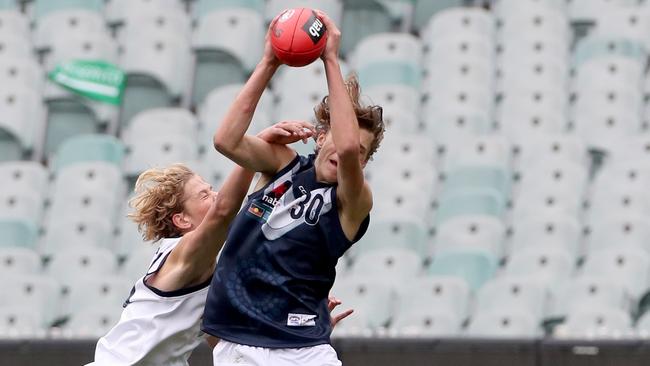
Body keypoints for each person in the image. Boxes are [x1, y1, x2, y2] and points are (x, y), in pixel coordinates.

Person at [203, 11, 385, 365]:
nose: (347, 152)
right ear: (319, 137)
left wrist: (330, 58)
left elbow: (347, 148)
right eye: (334, 138)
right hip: (241, 343)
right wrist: (270, 61)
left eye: (362, 154)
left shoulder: (353, 201)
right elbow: (226, 140)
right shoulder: (282, 165)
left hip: (305, 350)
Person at [88, 122, 351, 366]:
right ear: (181, 219)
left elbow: (231, 338)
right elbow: (223, 211)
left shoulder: (213, 277)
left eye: (212, 189)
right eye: (204, 195)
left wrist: (305, 333)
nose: (215, 196)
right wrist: (255, 146)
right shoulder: (182, 254)